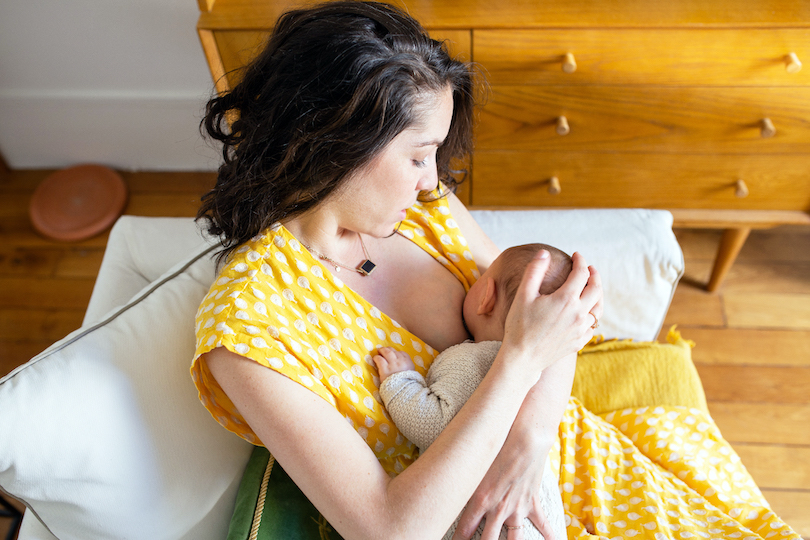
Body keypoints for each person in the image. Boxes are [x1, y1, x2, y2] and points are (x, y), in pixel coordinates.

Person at [192, 2, 798, 540]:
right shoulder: (249, 324)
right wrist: (516, 366)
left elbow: (555, 317)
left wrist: (527, 446)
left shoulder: (422, 212)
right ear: (335, 142)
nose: (433, 180)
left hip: (574, 463)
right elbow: (390, 528)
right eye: (418, 156)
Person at [372, 243, 574, 540]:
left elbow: (435, 427)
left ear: (486, 298)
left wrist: (401, 381)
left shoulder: (468, 360)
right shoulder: (543, 372)